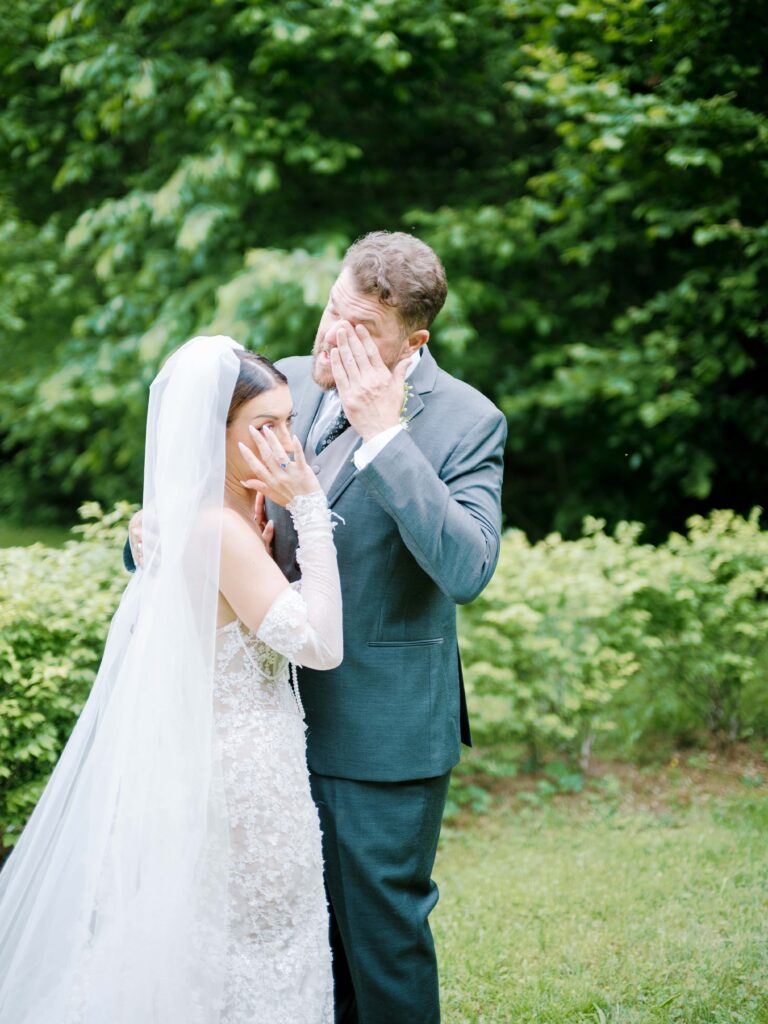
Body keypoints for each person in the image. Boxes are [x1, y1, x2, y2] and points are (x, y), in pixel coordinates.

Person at [127, 231, 506, 1023]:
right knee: (299, 944)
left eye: (362, 330)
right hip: (260, 729)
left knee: (382, 941)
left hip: (379, 734)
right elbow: (204, 506)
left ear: (414, 342)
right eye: (334, 311)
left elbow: (468, 568)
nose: (334, 338)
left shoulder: (467, 421)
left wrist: (385, 437)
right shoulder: (287, 382)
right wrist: (152, 541)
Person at [0, 336, 343, 1024]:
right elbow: (321, 647)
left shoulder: (206, 517)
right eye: (263, 427)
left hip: (237, 758)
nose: (286, 445)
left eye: (287, 423)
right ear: (211, 433)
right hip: (244, 780)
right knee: (255, 950)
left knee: (245, 947)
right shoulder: (215, 528)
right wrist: (309, 509)